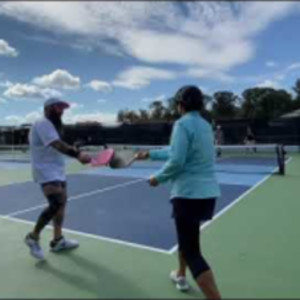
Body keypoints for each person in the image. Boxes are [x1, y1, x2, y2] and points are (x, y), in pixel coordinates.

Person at [136, 86, 221, 299]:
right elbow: (176, 151)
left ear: (180, 105)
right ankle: (181, 274)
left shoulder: (182, 124)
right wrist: (150, 154)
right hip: (207, 194)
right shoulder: (204, 125)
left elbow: (176, 160)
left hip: (188, 194)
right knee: (189, 239)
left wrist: (158, 178)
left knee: (192, 251)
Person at [24, 97, 91, 260]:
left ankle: (57, 240)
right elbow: (57, 144)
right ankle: (32, 238)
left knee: (61, 205)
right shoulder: (43, 123)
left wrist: (74, 148)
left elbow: (59, 144)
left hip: (58, 170)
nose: (61, 111)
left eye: (63, 108)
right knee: (56, 204)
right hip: (45, 171)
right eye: (58, 107)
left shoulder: (53, 126)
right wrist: (77, 154)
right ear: (48, 108)